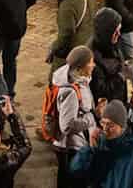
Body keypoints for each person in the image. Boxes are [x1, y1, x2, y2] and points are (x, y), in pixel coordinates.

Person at [70, 98, 133, 188]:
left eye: (110, 125)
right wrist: (90, 148)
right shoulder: (99, 145)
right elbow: (75, 171)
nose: (105, 128)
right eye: (103, 123)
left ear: (122, 127)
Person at [51, 45, 98, 188]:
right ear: (81, 66)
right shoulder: (70, 91)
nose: (93, 65)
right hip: (72, 148)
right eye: (91, 62)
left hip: (76, 145)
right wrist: (91, 118)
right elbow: (66, 125)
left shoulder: (81, 80)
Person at [48, 0, 95, 74]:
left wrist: (54, 48)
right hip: (89, 46)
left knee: (56, 77)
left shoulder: (67, 5)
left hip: (73, 51)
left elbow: (66, 34)